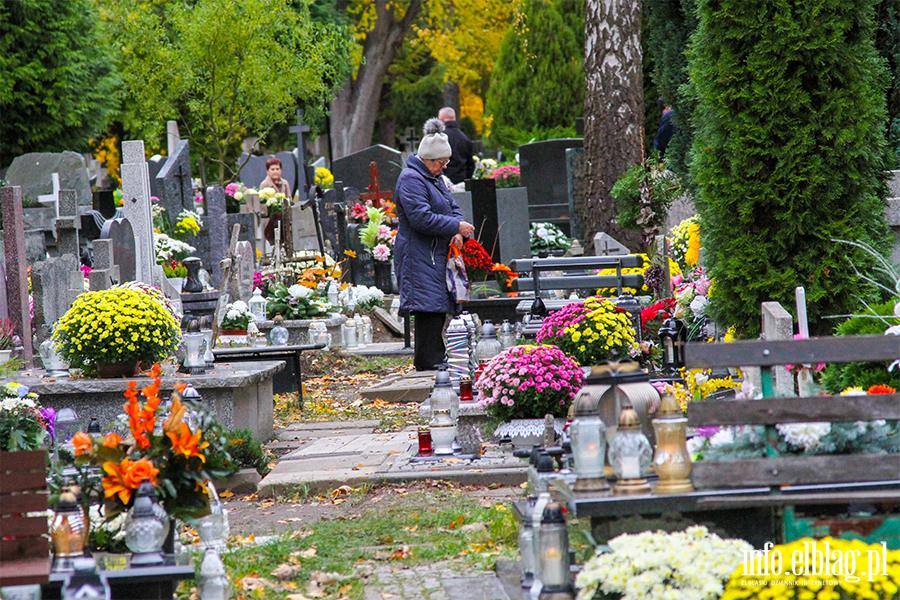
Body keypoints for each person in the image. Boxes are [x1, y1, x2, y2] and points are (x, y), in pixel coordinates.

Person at [395, 118, 476, 371]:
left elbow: (452, 207)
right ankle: (428, 360)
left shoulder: (434, 178)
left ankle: (435, 356)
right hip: (418, 253)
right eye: (441, 162)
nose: (444, 167)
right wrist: (454, 227)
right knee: (427, 306)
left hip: (434, 252)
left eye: (446, 162)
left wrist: (459, 230)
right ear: (428, 159)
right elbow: (421, 218)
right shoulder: (411, 179)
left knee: (437, 303)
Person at [438, 107, 475, 185]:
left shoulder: (440, 137)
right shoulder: (465, 138)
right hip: (461, 181)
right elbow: (470, 164)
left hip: (443, 182)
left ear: (442, 119)